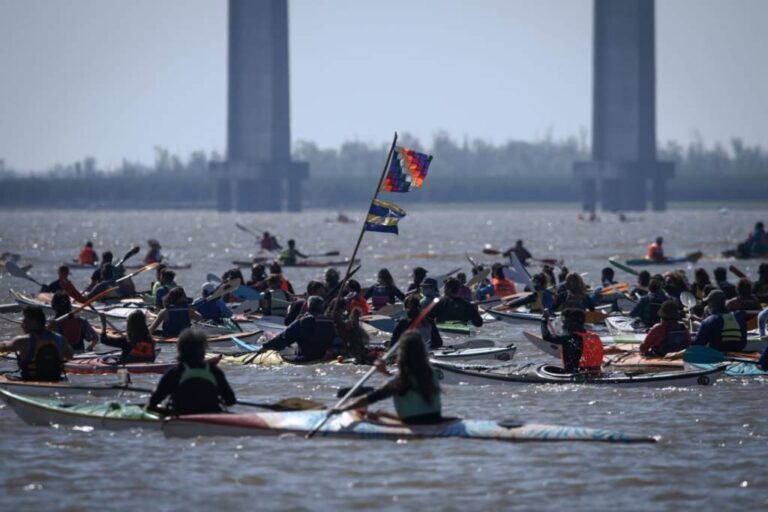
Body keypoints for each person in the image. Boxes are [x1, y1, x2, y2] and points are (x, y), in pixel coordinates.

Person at [334, 331, 443, 425]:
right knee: (382, 413)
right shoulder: (431, 373)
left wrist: (341, 409)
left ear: (402, 354)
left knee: (371, 416)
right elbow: (410, 381)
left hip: (415, 424)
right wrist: (385, 372)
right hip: (435, 420)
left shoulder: (400, 380)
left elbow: (372, 398)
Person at [146, 329, 235, 415]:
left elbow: (153, 402)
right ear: (203, 350)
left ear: (180, 350)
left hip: (181, 418)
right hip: (211, 417)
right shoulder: (214, 371)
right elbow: (230, 401)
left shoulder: (175, 372)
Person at [0, 306, 73, 381]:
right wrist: (54, 332)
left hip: (31, 381)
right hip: (56, 380)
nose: (22, 323)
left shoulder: (22, 340)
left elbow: (4, 347)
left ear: (33, 321)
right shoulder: (60, 338)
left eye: (24, 320)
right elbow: (70, 355)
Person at [260, 296, 336, 363]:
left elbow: (284, 337)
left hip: (305, 359)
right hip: (324, 357)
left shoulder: (303, 321)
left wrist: (266, 346)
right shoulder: (331, 321)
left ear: (308, 307)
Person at [540, 308, 604, 373]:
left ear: (570, 323)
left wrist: (543, 321)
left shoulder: (569, 339)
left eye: (564, 322)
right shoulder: (594, 337)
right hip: (596, 372)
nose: (563, 325)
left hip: (576, 375)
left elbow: (546, 336)